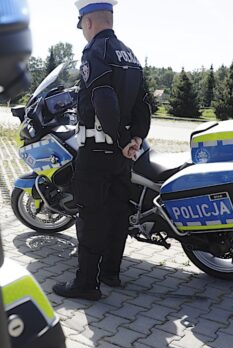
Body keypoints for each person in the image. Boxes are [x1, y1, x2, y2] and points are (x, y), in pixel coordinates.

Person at [53, 0, 151, 301]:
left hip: (97, 152)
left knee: (91, 216)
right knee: (117, 213)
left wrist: (122, 139)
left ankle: (87, 284)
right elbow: (143, 104)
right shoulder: (129, 54)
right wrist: (135, 138)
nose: (83, 30)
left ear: (88, 22)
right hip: (122, 157)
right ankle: (111, 273)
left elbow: (103, 97)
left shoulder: (95, 52)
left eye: (82, 25)